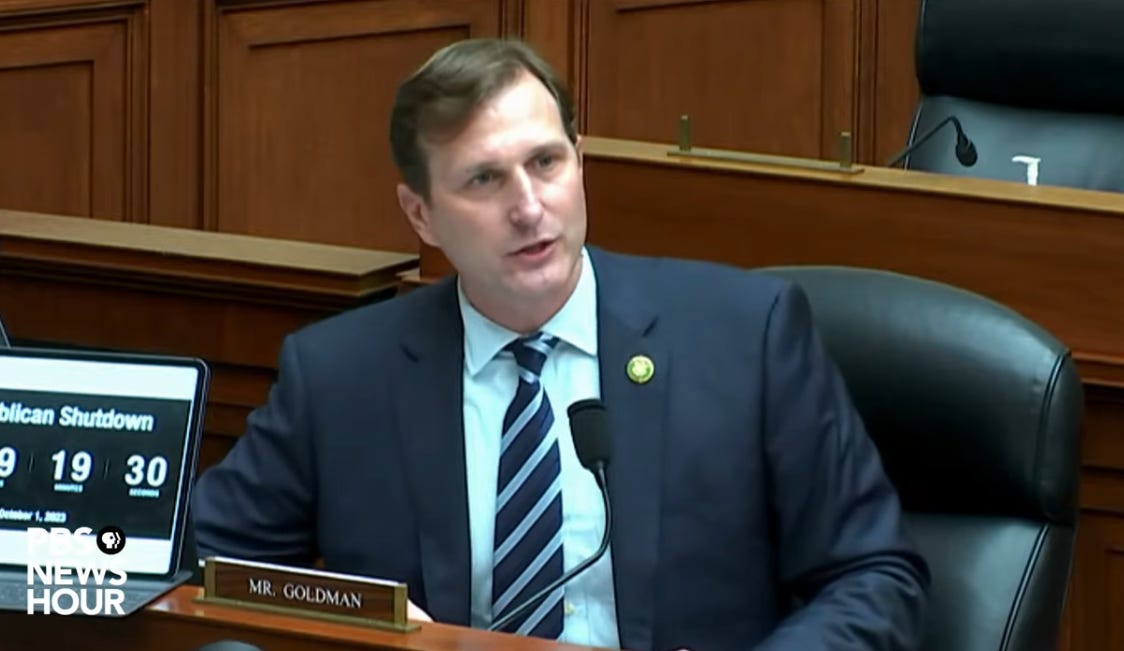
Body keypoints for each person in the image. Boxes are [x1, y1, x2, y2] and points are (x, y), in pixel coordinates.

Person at [191, 37, 929, 651]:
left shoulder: (745, 336)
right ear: (420, 214)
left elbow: (871, 575)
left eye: (546, 163)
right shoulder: (340, 375)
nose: (528, 206)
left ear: (580, 163)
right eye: (484, 179)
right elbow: (207, 564)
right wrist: (354, 620)